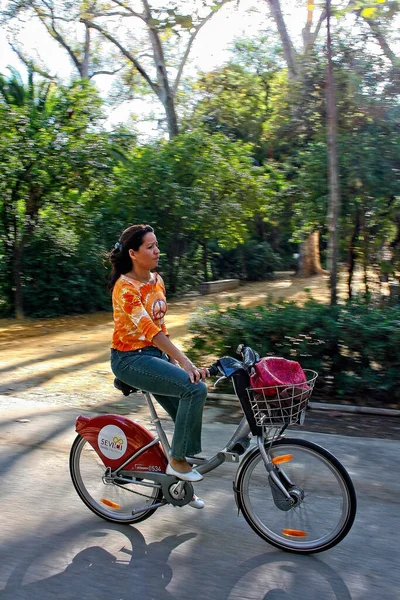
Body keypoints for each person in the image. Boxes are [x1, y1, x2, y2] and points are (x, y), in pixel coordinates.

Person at [109, 224, 209, 509]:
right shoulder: (125, 287)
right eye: (150, 246)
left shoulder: (157, 280)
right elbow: (149, 329)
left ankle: (179, 484)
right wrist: (187, 364)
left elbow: (162, 328)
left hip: (154, 356)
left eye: (157, 244)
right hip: (130, 359)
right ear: (133, 253)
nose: (157, 251)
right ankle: (178, 463)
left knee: (185, 418)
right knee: (195, 390)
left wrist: (179, 360)